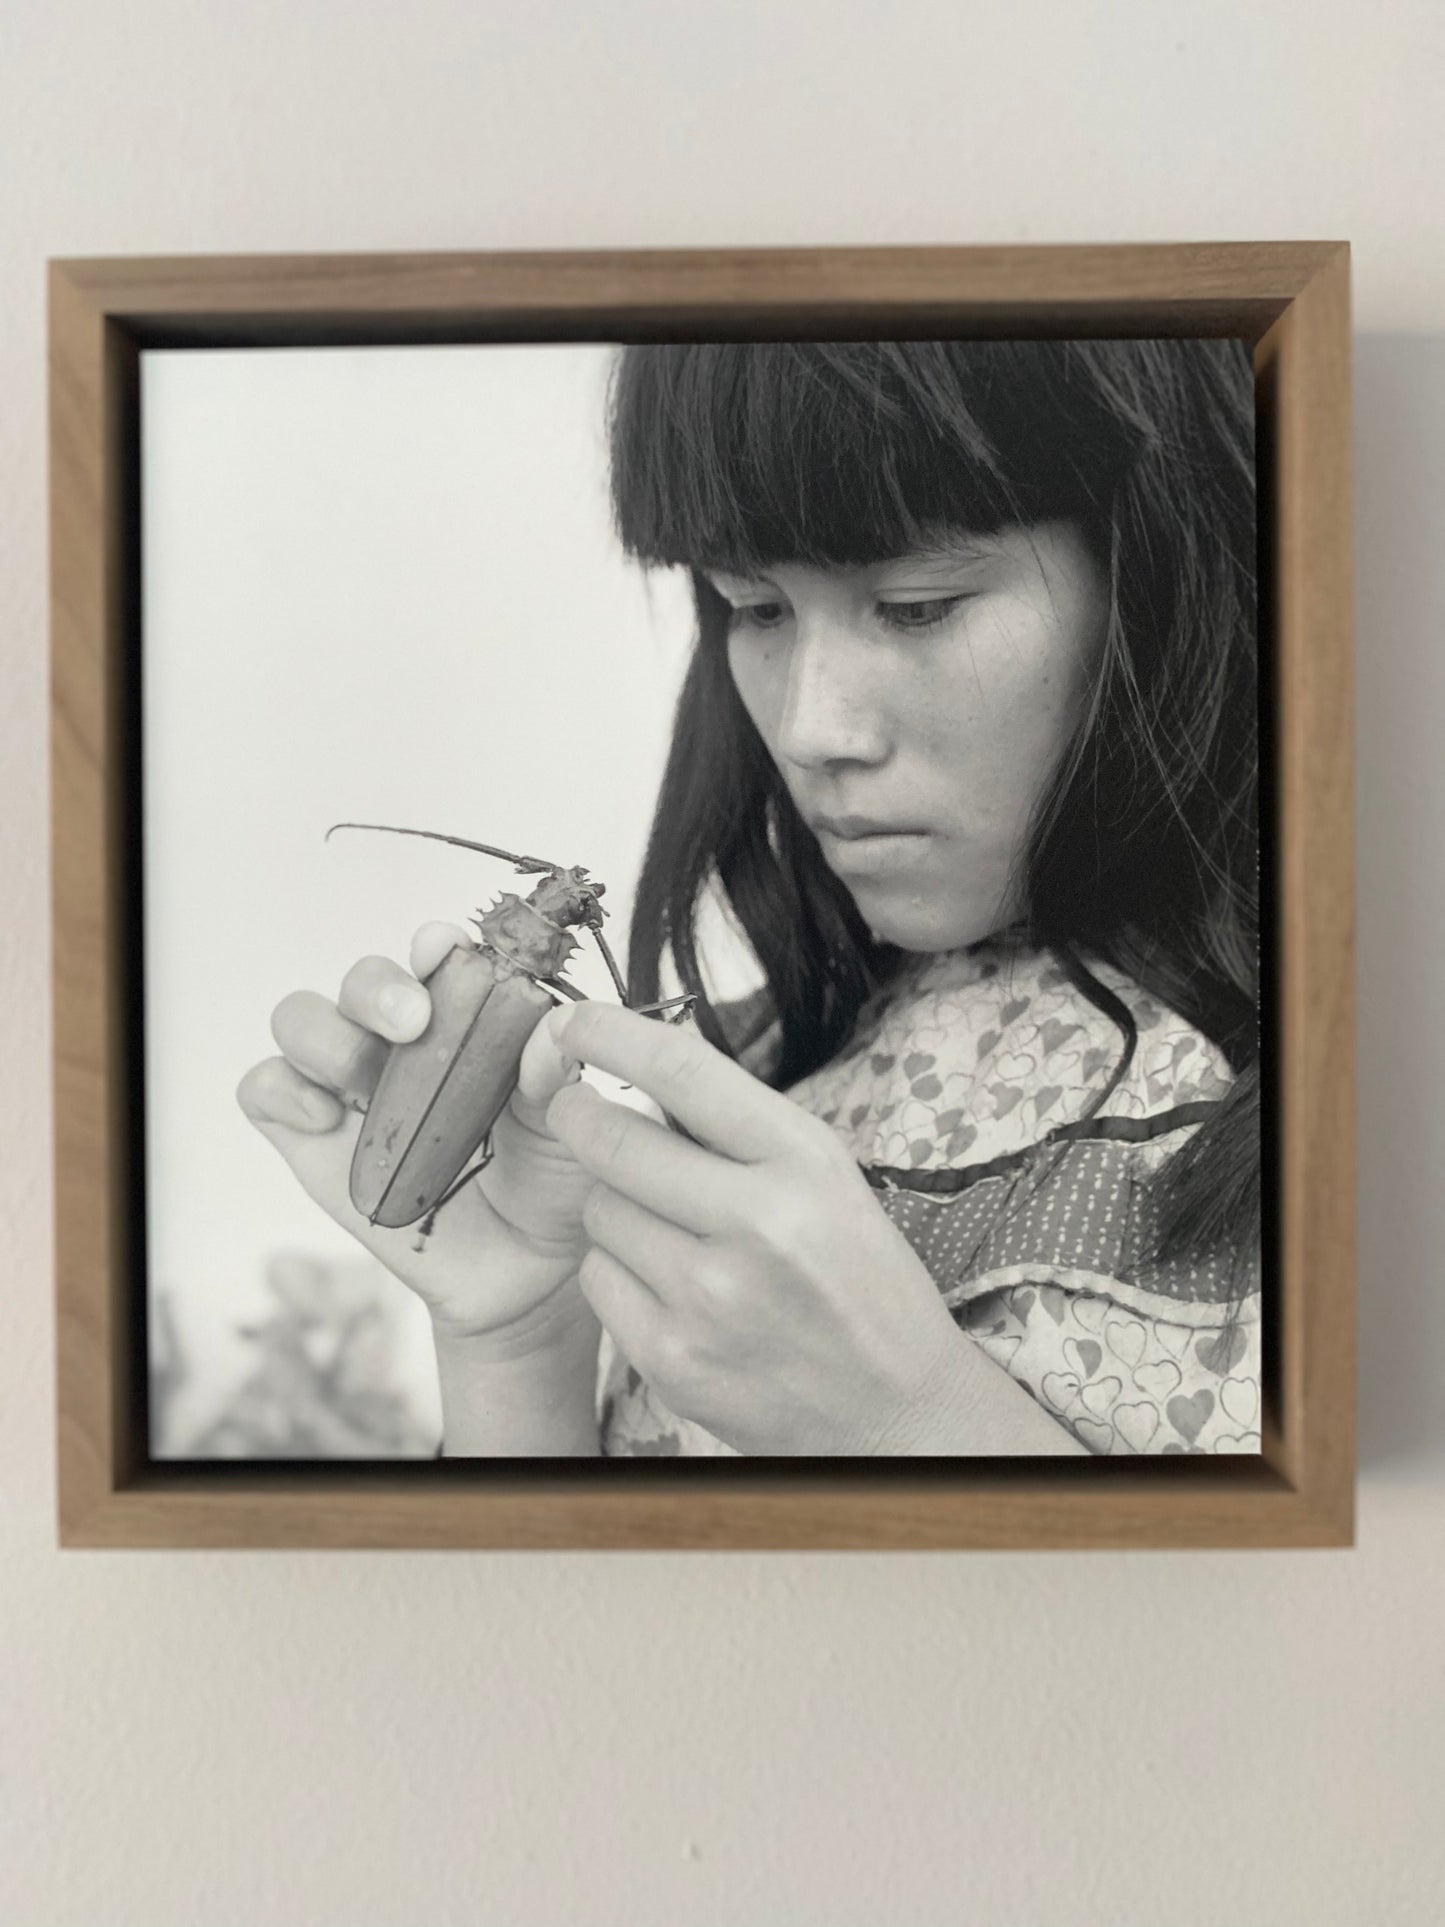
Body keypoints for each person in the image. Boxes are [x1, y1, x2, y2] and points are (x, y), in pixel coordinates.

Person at [237, 339, 1262, 1458]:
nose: (813, 729)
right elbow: (553, 1640)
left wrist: (914, 1424)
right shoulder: (738, 1082)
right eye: (755, 608)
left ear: (1167, 566)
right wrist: (515, 1346)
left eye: (917, 606)